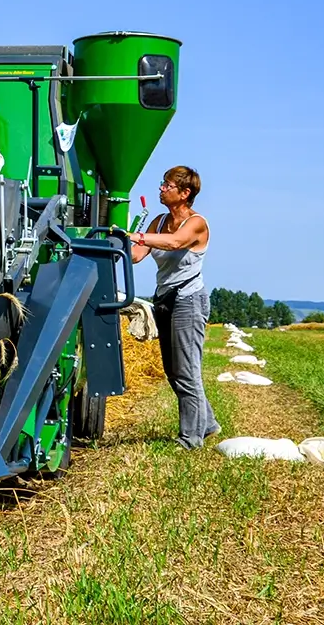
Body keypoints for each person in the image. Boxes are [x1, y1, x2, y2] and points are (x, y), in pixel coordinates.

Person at [130, 165, 219, 450]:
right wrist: (118, 239)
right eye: (162, 184)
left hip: (189, 300)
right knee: (172, 369)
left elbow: (174, 243)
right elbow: (135, 256)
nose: (161, 189)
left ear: (185, 192)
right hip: (164, 298)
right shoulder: (158, 220)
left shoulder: (196, 223)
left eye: (167, 185)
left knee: (187, 370)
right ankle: (208, 424)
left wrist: (137, 236)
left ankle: (190, 439)